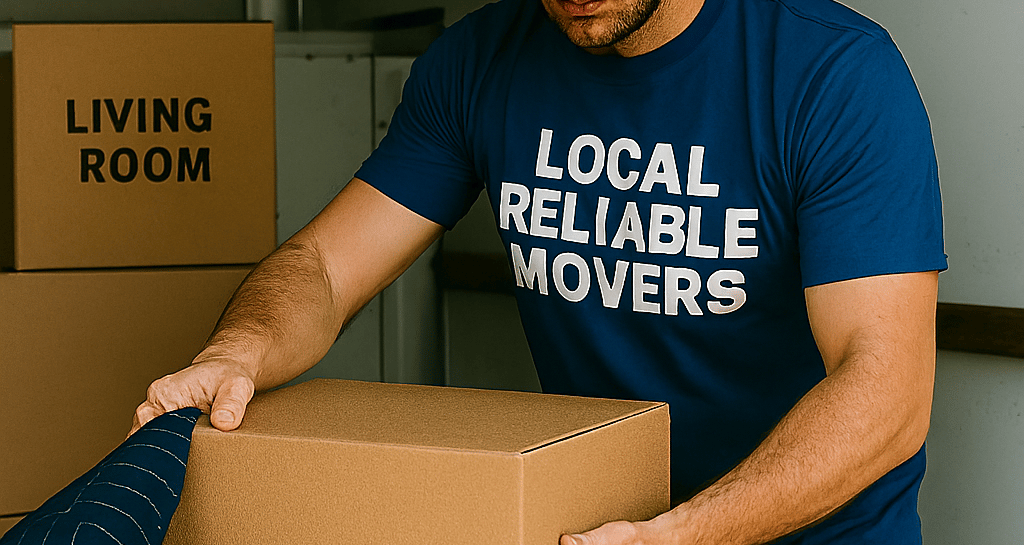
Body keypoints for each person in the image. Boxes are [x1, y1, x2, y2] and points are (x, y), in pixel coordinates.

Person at [131, 0, 947, 542]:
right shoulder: (480, 60)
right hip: (599, 523)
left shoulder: (834, 74)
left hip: (801, 529)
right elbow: (324, 267)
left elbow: (886, 388)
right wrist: (237, 351)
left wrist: (687, 532)